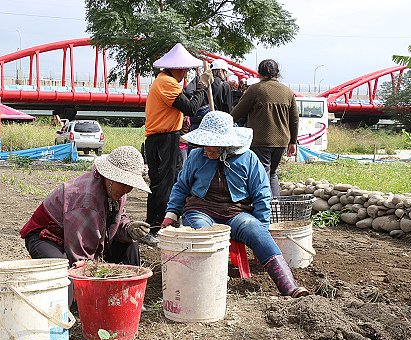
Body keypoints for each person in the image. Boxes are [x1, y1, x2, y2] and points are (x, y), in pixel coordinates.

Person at [161, 111, 309, 298]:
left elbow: (262, 195)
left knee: (257, 232)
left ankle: (289, 286)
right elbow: (181, 187)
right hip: (200, 210)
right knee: (204, 234)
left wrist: (261, 230)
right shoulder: (196, 157)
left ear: (225, 145)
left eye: (211, 145)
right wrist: (171, 214)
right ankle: (207, 288)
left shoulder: (249, 159)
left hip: (237, 214)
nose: (206, 148)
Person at [20, 146, 152, 302]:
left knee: (130, 245)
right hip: (46, 236)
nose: (127, 189)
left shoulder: (116, 191)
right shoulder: (86, 199)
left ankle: (127, 297)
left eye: (130, 184)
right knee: (63, 278)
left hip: (78, 236)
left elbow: (117, 218)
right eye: (123, 183)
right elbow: (80, 250)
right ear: (109, 177)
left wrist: (128, 228)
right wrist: (95, 277)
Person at [144, 43, 213, 239]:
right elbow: (190, 107)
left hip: (168, 137)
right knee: (162, 183)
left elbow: (182, 105)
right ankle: (155, 226)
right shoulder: (166, 82)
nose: (185, 73)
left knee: (172, 180)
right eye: (183, 69)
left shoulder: (167, 81)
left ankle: (167, 220)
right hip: (161, 139)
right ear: (175, 68)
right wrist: (202, 86)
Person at [231, 59, 299, 197]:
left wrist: (223, 124)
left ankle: (265, 209)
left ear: (259, 73)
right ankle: (276, 209)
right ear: (277, 73)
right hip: (281, 141)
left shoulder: (255, 89)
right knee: (272, 173)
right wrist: (293, 142)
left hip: (261, 140)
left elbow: (237, 113)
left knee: (262, 174)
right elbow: (295, 119)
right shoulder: (288, 92)